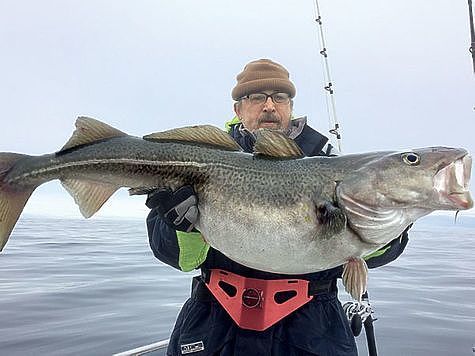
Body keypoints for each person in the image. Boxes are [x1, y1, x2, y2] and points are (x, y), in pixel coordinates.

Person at [146, 59, 409, 356]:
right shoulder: (202, 160)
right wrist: (184, 225)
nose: (270, 106)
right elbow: (176, 258)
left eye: (280, 97)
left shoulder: (332, 165)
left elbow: (378, 255)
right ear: (238, 109)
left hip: (312, 330)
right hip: (214, 321)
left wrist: (390, 217)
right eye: (257, 97)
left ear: (290, 106)